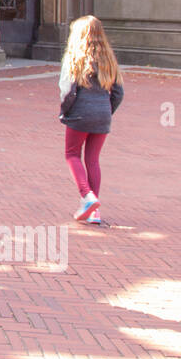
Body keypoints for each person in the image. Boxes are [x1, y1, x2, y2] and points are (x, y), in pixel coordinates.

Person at [59, 15, 125, 226]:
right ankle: (94, 211)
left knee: (71, 154)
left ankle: (87, 196)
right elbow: (118, 92)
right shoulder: (109, 60)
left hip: (80, 113)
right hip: (102, 115)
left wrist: (65, 111)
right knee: (93, 159)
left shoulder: (75, 57)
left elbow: (67, 90)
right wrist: (106, 110)